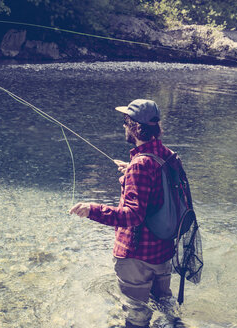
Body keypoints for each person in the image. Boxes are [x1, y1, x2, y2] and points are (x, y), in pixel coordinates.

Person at [70, 99, 176, 328]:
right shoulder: (168, 156)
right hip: (164, 251)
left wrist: (92, 209)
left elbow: (132, 216)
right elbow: (164, 192)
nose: (123, 126)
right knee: (165, 306)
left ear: (134, 127)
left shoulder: (141, 165)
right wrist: (131, 171)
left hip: (137, 256)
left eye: (125, 122)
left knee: (136, 315)